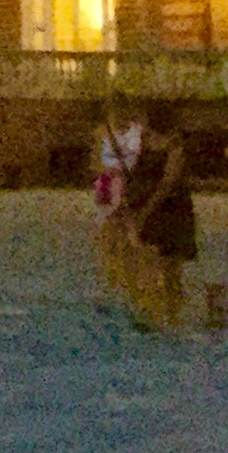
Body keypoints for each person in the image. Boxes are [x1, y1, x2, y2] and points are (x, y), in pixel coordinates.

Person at [120, 103, 199, 332]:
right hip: (155, 211)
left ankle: (171, 317)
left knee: (170, 270)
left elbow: (167, 184)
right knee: (153, 265)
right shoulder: (146, 143)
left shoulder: (174, 146)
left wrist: (143, 211)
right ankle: (155, 315)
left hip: (171, 213)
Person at [92, 98, 142, 307]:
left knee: (129, 228)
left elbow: (136, 158)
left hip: (127, 185)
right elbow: (95, 160)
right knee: (110, 228)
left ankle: (130, 274)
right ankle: (112, 273)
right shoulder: (103, 132)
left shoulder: (135, 132)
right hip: (109, 183)